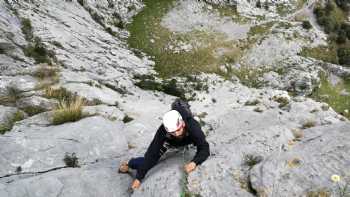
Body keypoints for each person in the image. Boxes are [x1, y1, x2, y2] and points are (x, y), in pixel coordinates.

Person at [118, 99, 210, 190]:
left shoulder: (192, 125)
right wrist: (139, 178)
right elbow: (151, 154)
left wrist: (194, 162)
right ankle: (130, 163)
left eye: (178, 130)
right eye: (173, 132)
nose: (177, 134)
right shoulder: (162, 131)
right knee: (153, 161)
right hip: (171, 143)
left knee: (197, 137)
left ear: (182, 124)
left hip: (188, 139)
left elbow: (204, 147)